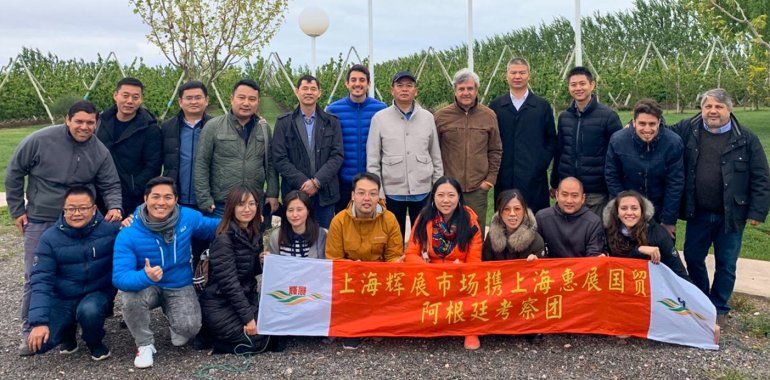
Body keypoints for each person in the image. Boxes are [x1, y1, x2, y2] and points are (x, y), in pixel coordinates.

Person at [5, 100, 123, 355]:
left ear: (96, 123)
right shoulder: (39, 140)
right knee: (35, 274)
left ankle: (82, 320)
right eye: (79, 121)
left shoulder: (99, 150)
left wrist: (115, 206)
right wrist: (17, 209)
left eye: (90, 122)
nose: (84, 127)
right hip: (42, 215)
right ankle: (30, 330)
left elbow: (110, 183)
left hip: (83, 218)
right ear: (67, 120)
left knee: (83, 268)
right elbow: (14, 172)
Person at [670, 88, 770, 325]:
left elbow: (761, 177)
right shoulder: (688, 128)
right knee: (693, 258)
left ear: (729, 110)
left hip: (731, 214)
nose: (713, 111)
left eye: (718, 106)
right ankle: (702, 300)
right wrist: (633, 124)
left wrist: (757, 211)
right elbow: (661, 128)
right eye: (708, 106)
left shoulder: (746, 138)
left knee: (726, 264)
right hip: (698, 213)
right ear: (701, 109)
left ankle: (719, 306)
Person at [112, 177, 219, 368]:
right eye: (156, 197)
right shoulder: (129, 231)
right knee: (130, 298)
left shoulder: (187, 217)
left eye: (168, 197)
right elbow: (120, 277)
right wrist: (145, 276)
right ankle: (144, 344)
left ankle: (173, 317)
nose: (161, 202)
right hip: (147, 285)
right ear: (146, 199)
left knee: (189, 329)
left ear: (176, 199)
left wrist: (245, 218)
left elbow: (214, 227)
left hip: (179, 284)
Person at [26, 187, 120, 360]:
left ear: (94, 209)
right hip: (64, 296)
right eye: (71, 209)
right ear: (64, 209)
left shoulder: (111, 230)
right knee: (41, 344)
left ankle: (94, 342)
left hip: (97, 291)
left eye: (83, 208)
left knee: (89, 311)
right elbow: (41, 280)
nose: (77, 213)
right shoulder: (49, 238)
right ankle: (67, 334)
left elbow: (137, 233)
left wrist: (131, 220)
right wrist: (39, 322)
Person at [325, 172, 403, 350]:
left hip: (379, 279)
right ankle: (355, 328)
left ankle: (377, 323)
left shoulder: (389, 220)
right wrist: (354, 269)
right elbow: (333, 259)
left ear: (378, 196)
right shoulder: (339, 221)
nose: (366, 198)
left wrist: (383, 270)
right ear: (353, 195)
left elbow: (394, 256)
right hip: (351, 279)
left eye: (372, 193)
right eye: (361, 193)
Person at [404, 176, 483, 350]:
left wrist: (460, 269)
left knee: (477, 286)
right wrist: (428, 268)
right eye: (440, 195)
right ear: (433, 197)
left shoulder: (470, 221)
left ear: (459, 197)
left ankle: (470, 329)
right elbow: (410, 254)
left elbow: (474, 262)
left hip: (459, 275)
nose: (446, 200)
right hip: (430, 273)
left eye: (451, 195)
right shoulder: (424, 218)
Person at [199, 186, 276, 354]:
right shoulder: (223, 239)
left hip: (245, 297)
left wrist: (261, 261)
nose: (247, 209)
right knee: (260, 340)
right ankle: (214, 341)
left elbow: (249, 271)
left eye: (251, 204)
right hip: (220, 303)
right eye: (241, 204)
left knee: (277, 329)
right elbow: (229, 284)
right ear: (231, 208)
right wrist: (248, 319)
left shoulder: (254, 232)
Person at [367, 71, 444, 238]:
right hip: (392, 192)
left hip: (423, 190)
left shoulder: (427, 118)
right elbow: (373, 160)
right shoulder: (379, 119)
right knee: (393, 239)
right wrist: (378, 192)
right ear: (392, 90)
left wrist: (437, 188)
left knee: (423, 238)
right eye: (400, 85)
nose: (404, 89)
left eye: (409, 86)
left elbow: (435, 156)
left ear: (415, 91)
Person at [194, 79, 279, 218]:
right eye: (241, 97)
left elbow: (270, 164)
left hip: (253, 204)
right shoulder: (213, 126)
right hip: (221, 205)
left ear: (258, 102)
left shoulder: (263, 129)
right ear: (232, 99)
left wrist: (272, 193)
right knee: (222, 233)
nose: (246, 103)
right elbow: (202, 163)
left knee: (253, 233)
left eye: (252, 99)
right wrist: (204, 198)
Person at [435, 68, 502, 233]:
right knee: (447, 232)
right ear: (455, 91)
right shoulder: (441, 116)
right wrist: (439, 181)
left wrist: (489, 181)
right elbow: (433, 150)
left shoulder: (488, 115)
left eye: (470, 88)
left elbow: (495, 150)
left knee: (475, 232)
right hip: (449, 188)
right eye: (461, 89)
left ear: (476, 90)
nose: (466, 93)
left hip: (477, 189)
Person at [273, 74, 344, 228]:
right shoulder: (284, 123)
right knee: (293, 237)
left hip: (325, 194)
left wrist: (317, 182)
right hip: (295, 193)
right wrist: (303, 182)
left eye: (313, 89)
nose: (309, 92)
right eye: (305, 88)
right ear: (297, 91)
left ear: (319, 93)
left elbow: (337, 156)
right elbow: (279, 158)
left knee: (323, 236)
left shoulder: (331, 122)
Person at [605, 99, 684, 237]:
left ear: (659, 122)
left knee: (660, 249)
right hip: (627, 209)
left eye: (652, 124)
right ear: (634, 122)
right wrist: (626, 208)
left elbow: (675, 183)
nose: (647, 129)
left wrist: (668, 220)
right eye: (642, 123)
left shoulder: (673, 143)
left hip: (659, 209)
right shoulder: (618, 141)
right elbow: (612, 176)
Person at [551, 66, 623, 217]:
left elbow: (618, 155)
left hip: (595, 191)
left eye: (582, 83)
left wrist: (615, 189)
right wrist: (555, 183)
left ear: (592, 85)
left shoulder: (608, 116)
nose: (578, 88)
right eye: (573, 84)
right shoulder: (564, 117)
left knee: (594, 229)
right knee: (568, 229)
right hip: (569, 191)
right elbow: (560, 151)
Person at [489, 57, 557, 213]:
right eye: (513, 73)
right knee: (506, 217)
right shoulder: (496, 106)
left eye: (522, 72)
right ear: (507, 75)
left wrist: (540, 164)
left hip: (534, 177)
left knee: (535, 218)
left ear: (529, 75)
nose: (517, 76)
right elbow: (490, 140)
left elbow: (551, 140)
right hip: (505, 176)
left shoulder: (541, 106)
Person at [325, 64, 388, 213]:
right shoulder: (333, 110)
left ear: (368, 84)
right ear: (347, 83)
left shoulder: (380, 109)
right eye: (353, 80)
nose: (357, 84)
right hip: (343, 182)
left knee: (372, 222)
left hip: (372, 181)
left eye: (362, 80)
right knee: (344, 222)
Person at [97, 77, 162, 215]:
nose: (130, 101)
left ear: (141, 99)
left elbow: (153, 165)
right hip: (101, 192)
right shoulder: (100, 122)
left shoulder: (150, 128)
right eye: (125, 96)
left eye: (135, 97)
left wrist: (135, 187)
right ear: (116, 95)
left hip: (133, 197)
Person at [602, 190, 690, 281]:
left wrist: (691, 289)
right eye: (624, 208)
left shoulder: (658, 233)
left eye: (634, 208)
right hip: (621, 280)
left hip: (651, 282)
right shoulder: (609, 232)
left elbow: (678, 270)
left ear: (642, 211)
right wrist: (639, 250)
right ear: (617, 212)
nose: (629, 213)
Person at [161, 80, 212, 211]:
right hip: (176, 196)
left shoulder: (216, 126)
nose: (193, 102)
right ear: (180, 102)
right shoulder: (168, 127)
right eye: (189, 98)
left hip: (208, 198)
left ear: (206, 100)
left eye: (198, 98)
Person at [536, 177, 605, 258]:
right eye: (564, 195)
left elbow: (593, 255)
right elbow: (537, 250)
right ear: (557, 195)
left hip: (582, 265)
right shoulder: (542, 218)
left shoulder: (593, 222)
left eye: (574, 196)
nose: (569, 201)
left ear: (583, 198)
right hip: (551, 265)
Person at [482, 189, 545, 261]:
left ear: (524, 211)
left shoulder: (536, 240)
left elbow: (544, 266)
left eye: (517, 209)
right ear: (500, 213)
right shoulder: (491, 237)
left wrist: (537, 262)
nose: (512, 214)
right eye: (506, 209)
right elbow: (485, 264)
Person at [266, 190, 327, 259]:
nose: (294, 215)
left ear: (308, 211)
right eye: (290, 210)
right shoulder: (276, 236)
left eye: (299, 210)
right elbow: (274, 263)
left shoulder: (321, 235)